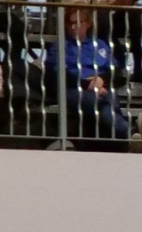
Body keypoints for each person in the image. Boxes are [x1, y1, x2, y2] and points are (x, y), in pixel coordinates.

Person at [59, 5, 141, 146]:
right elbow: (57, 72)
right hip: (75, 90)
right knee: (105, 101)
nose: (72, 27)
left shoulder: (100, 45)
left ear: (88, 24)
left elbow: (115, 70)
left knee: (106, 100)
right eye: (70, 23)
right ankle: (131, 134)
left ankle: (131, 137)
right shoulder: (61, 46)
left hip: (102, 89)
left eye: (77, 23)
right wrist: (88, 84)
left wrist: (101, 79)